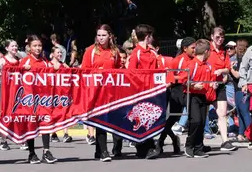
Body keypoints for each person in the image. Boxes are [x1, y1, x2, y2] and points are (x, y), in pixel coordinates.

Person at [148, 38, 195, 159]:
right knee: (171, 119)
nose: (195, 50)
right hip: (177, 90)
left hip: (191, 89)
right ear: (185, 49)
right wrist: (181, 79)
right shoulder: (177, 60)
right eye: (193, 48)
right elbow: (170, 75)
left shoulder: (194, 59)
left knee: (193, 117)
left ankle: (192, 144)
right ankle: (162, 143)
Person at [81, 24, 122, 161]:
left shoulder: (115, 52)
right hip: (94, 91)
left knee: (106, 119)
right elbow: (84, 71)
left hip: (110, 92)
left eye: (103, 35)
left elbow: (119, 71)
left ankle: (99, 150)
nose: (101, 38)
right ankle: (104, 151)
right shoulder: (90, 51)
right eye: (98, 35)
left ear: (110, 36)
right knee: (100, 119)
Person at [20, 35, 59, 164]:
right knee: (31, 123)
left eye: (39, 46)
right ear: (29, 48)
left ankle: (46, 151)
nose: (37, 48)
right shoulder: (25, 61)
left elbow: (55, 73)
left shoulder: (45, 62)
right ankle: (31, 153)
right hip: (29, 98)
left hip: (43, 98)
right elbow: (14, 75)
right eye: (35, 46)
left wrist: (56, 66)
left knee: (46, 122)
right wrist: (22, 69)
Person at [128, 24, 164, 158]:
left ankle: (148, 147)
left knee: (150, 120)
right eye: (151, 36)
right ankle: (143, 148)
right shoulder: (136, 53)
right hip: (140, 91)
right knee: (142, 120)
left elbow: (157, 71)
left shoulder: (152, 52)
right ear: (147, 37)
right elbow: (131, 73)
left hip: (152, 91)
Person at [207, 27, 238, 152]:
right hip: (206, 85)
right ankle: (197, 142)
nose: (220, 39)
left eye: (222, 37)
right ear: (211, 36)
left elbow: (227, 68)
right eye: (217, 37)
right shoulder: (206, 49)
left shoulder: (224, 52)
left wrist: (221, 71)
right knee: (201, 114)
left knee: (222, 113)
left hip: (219, 85)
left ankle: (225, 141)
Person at [184, 39, 213, 158]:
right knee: (195, 120)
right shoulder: (192, 64)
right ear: (206, 51)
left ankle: (199, 148)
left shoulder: (208, 66)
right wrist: (193, 85)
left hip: (203, 95)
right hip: (192, 95)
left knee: (201, 122)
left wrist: (212, 84)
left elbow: (210, 80)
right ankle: (189, 145)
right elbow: (183, 80)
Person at [0, 39, 21, 150]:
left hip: (16, 90)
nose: (15, 48)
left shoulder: (19, 60)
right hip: (3, 90)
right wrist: (0, 74)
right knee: (3, 114)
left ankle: (20, 139)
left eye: (16, 46)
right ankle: (3, 140)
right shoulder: (2, 61)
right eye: (12, 46)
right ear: (7, 48)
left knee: (17, 114)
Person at [49, 46, 73, 143]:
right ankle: (53, 133)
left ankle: (66, 133)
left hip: (63, 92)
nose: (59, 54)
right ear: (53, 54)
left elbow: (71, 73)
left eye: (60, 53)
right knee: (53, 112)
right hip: (52, 92)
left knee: (65, 111)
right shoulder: (48, 64)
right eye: (57, 52)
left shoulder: (64, 65)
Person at [230, 39, 251, 141]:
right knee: (239, 111)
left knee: (244, 111)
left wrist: (230, 68)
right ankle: (241, 134)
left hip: (242, 88)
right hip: (237, 88)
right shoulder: (240, 58)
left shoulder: (243, 59)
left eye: (235, 47)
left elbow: (238, 75)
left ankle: (251, 133)